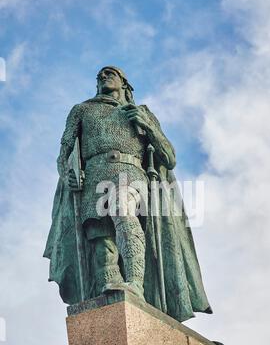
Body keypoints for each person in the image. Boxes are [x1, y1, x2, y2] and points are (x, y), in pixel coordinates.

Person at [44, 66, 212, 322]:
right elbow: (64, 151)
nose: (102, 77)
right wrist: (67, 172)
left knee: (123, 208)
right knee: (102, 242)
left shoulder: (141, 113)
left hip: (130, 173)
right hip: (95, 176)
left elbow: (169, 157)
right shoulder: (82, 110)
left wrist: (149, 128)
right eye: (99, 75)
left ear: (124, 83)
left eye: (109, 73)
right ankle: (112, 295)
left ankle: (135, 283)